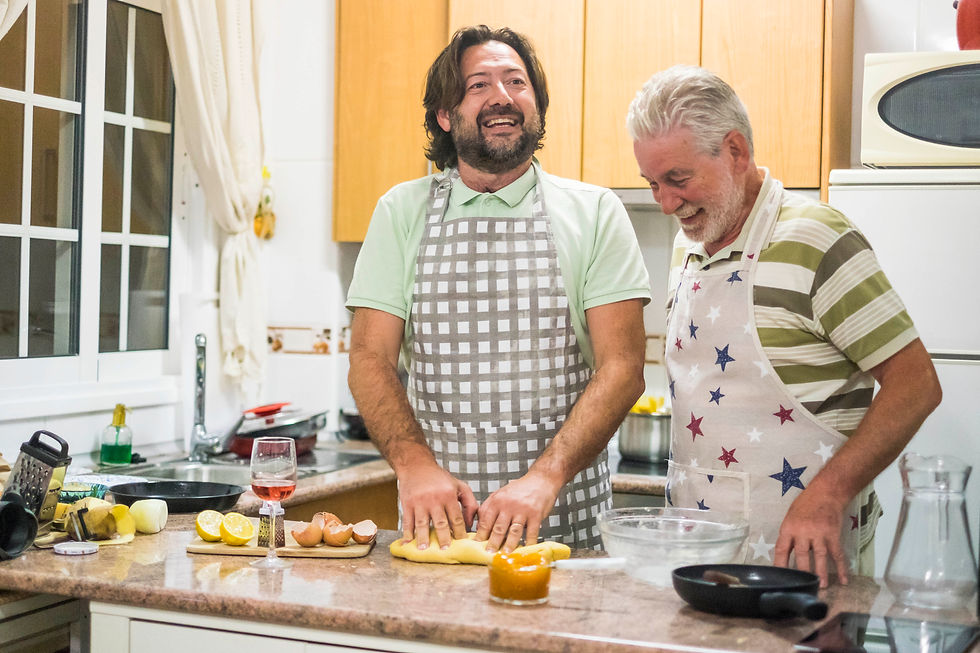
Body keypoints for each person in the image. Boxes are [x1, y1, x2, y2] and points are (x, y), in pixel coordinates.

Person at [626, 65, 942, 587]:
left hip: (805, 558)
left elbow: (916, 385)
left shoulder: (815, 237)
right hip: (699, 554)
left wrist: (829, 494)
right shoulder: (688, 245)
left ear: (735, 151)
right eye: (652, 183)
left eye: (678, 179)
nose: (665, 203)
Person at [346, 25, 650, 554]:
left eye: (516, 81)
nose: (502, 97)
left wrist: (545, 478)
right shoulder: (401, 211)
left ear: (537, 106)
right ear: (445, 114)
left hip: (563, 526)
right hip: (437, 529)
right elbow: (369, 358)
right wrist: (415, 467)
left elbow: (623, 366)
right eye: (479, 85)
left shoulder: (596, 211)